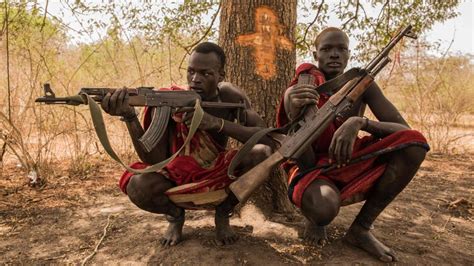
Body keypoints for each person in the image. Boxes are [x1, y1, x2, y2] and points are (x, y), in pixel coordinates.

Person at [276, 27, 429, 262]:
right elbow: (299, 151)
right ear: (315, 54)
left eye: (341, 49)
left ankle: (361, 229)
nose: (334, 54)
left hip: (346, 157)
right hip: (310, 167)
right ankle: (314, 216)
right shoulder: (302, 86)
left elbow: (405, 131)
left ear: (348, 54)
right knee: (323, 210)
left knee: (414, 144)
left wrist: (360, 122)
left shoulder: (362, 84)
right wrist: (292, 105)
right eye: (327, 49)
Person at [100, 42, 271, 246]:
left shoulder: (230, 96)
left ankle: (224, 213)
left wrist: (216, 123)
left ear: (221, 75)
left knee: (262, 154)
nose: (195, 79)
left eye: (205, 74)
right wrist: (130, 117)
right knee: (138, 186)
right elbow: (154, 159)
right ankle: (175, 217)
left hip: (216, 171)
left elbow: (265, 138)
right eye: (191, 72)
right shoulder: (170, 99)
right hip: (175, 174)